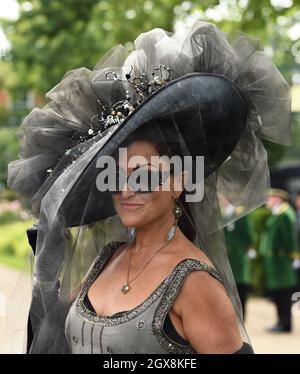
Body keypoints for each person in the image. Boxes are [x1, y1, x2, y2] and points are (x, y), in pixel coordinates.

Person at [7, 20, 291, 354]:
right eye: (115, 174)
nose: (126, 189)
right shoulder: (105, 260)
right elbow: (54, 343)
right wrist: (46, 279)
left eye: (143, 175)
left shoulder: (194, 283)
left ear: (180, 180)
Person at [259, 188, 299, 332]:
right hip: (275, 261)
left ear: (277, 199)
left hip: (282, 260)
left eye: (270, 198)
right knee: (278, 294)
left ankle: (285, 323)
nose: (268, 201)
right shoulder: (277, 213)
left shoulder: (285, 214)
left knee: (283, 294)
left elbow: (291, 238)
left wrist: (295, 256)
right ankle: (281, 321)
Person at [221, 198, 254, 321]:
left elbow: (248, 233)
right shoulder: (222, 214)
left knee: (240, 284)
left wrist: (249, 248)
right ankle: (231, 314)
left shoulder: (240, 214)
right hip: (226, 255)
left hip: (238, 255)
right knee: (228, 285)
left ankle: (242, 314)